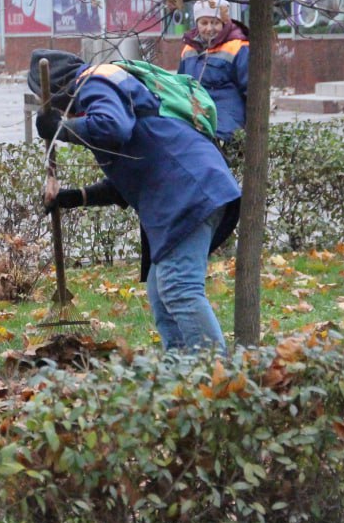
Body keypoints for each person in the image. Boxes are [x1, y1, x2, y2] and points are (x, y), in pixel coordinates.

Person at [30, 49, 239, 352]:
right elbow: (125, 180)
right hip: (188, 189)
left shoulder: (93, 82)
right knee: (161, 291)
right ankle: (182, 374)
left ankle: (216, 378)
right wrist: (74, 198)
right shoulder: (105, 89)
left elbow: (112, 129)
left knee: (179, 289)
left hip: (188, 191)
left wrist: (61, 129)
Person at [178, 0, 249, 143]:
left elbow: (250, 90)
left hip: (226, 120)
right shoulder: (188, 50)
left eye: (215, 22)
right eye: (204, 23)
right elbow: (180, 86)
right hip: (195, 115)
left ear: (224, 23)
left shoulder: (238, 46)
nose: (209, 28)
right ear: (196, 24)